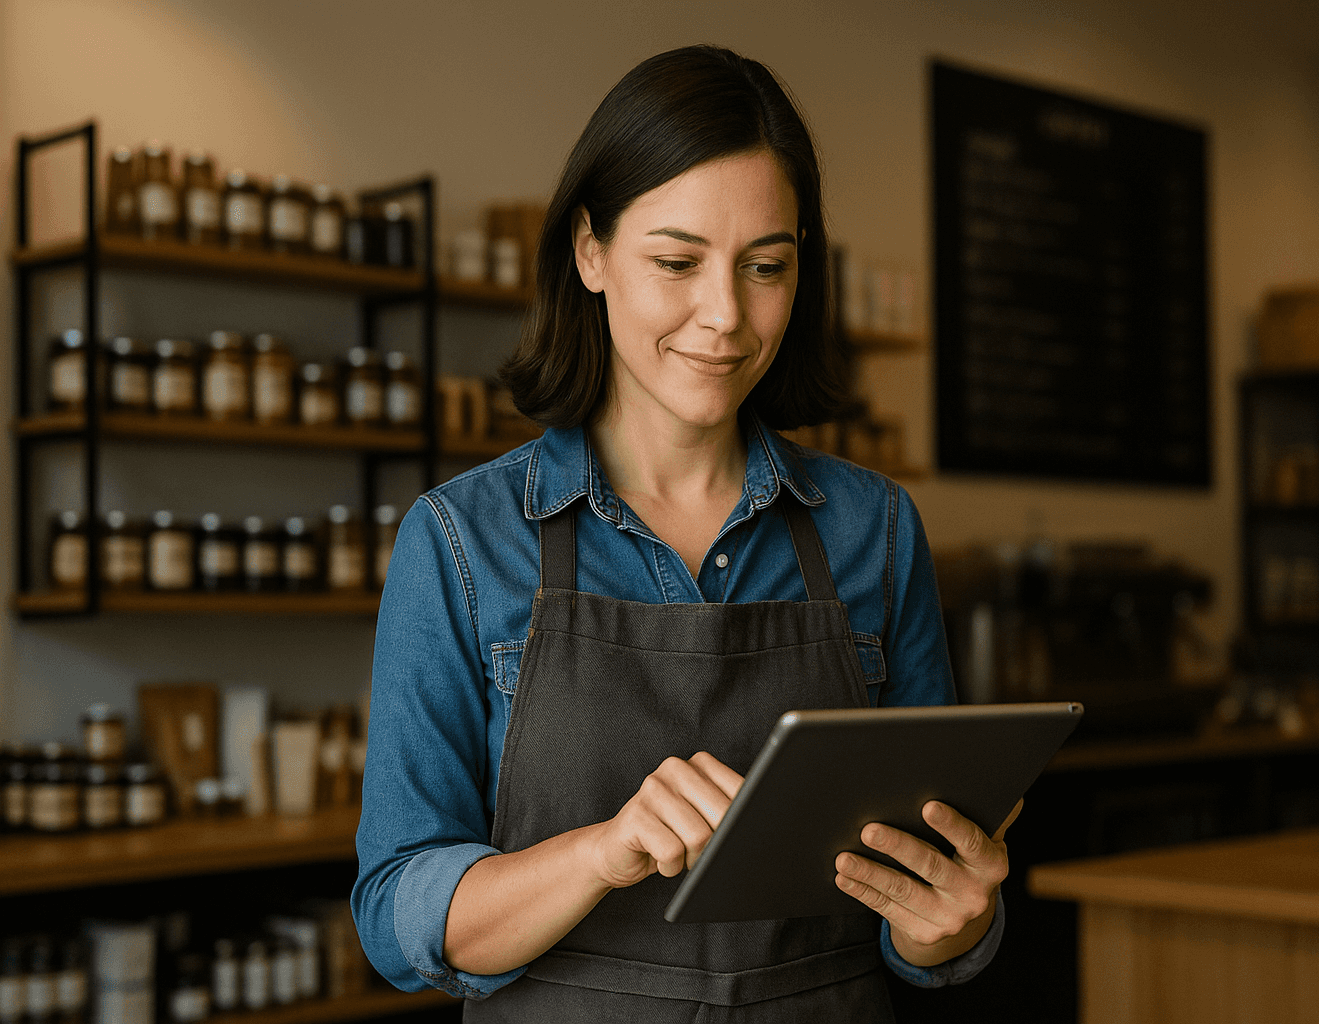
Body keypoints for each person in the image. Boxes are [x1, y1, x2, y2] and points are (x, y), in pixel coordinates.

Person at [352, 44, 1016, 1022]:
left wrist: (947, 920)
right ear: (590, 252)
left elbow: (919, 918)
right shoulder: (457, 539)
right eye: (676, 260)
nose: (726, 316)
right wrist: (598, 851)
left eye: (767, 267)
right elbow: (394, 913)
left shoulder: (877, 529)